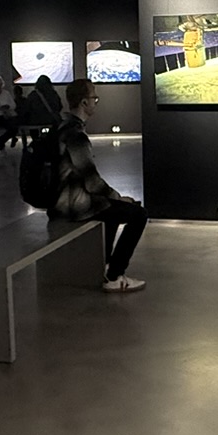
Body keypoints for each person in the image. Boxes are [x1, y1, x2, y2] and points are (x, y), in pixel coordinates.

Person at [52, 78, 147, 292]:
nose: (96, 102)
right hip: (72, 206)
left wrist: (112, 198)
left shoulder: (63, 127)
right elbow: (92, 182)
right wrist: (118, 197)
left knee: (110, 209)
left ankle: (104, 266)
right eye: (94, 98)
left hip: (63, 201)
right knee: (138, 214)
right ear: (84, 103)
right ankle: (115, 275)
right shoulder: (75, 135)